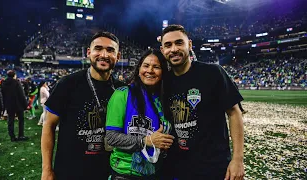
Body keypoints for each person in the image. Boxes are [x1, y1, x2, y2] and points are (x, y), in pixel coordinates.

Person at [160, 25, 245, 180]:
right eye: (168, 45)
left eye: (179, 43)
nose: (173, 49)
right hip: (177, 168)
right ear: (162, 50)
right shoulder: (163, 82)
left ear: (189, 45)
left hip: (213, 168)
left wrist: (238, 159)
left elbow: (234, 113)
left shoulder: (213, 73)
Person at [41, 31, 124, 180]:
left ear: (118, 57)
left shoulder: (122, 90)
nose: (104, 55)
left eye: (110, 50)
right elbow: (49, 126)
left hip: (107, 172)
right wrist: (47, 170)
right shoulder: (67, 84)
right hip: (70, 171)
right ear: (88, 53)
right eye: (98, 48)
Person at [105, 49, 174, 179]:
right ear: (139, 69)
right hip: (124, 174)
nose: (150, 71)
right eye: (146, 66)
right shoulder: (122, 94)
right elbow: (112, 138)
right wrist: (146, 141)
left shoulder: (165, 100)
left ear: (163, 72)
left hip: (155, 173)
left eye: (156, 67)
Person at [1, 70, 29, 142]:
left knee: (10, 120)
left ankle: (12, 136)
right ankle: (21, 135)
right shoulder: (16, 82)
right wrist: (25, 105)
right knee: (21, 120)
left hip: (9, 105)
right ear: (14, 75)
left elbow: (3, 95)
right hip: (18, 104)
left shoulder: (4, 83)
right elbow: (21, 95)